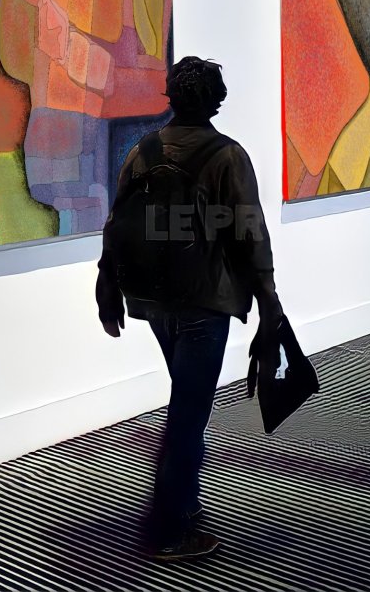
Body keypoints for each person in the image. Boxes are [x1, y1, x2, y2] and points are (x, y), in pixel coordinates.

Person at [96, 55, 282, 561]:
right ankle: (168, 530)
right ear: (217, 101)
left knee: (187, 402)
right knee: (188, 413)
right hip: (204, 300)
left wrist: (106, 285)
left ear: (172, 97)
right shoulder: (228, 156)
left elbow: (115, 224)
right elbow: (250, 233)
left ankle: (184, 503)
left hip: (153, 299)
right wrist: (270, 304)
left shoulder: (143, 151)